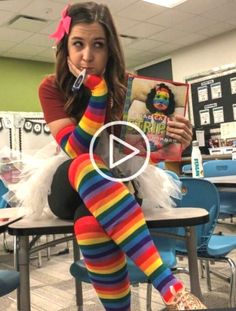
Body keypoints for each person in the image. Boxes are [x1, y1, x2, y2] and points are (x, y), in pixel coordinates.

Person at [38, 2, 206, 310]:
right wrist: (98, 93)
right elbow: (76, 149)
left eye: (97, 45)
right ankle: (170, 286)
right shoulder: (51, 87)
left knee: (90, 224)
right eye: (78, 44)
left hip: (116, 185)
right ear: (65, 47)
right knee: (86, 163)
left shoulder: (130, 88)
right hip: (69, 184)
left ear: (110, 49)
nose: (87, 55)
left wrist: (172, 142)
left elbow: (140, 154)